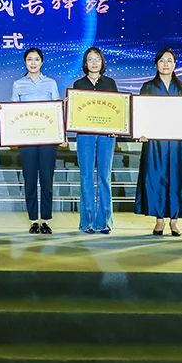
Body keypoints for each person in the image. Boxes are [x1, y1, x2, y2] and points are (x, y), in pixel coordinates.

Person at [135, 48, 182, 236]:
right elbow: (141, 113)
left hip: (178, 142)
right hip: (155, 142)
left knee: (177, 178)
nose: (166, 64)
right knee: (156, 178)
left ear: (175, 64)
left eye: (169, 60)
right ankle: (159, 220)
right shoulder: (148, 87)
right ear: (156, 64)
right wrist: (140, 132)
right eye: (162, 60)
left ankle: (174, 220)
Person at [11, 47, 61, 234]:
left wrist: (60, 135)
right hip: (27, 139)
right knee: (30, 179)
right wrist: (4, 112)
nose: (33, 63)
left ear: (42, 62)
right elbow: (13, 111)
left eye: (36, 59)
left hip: (48, 139)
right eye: (29, 59)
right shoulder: (18, 84)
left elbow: (56, 110)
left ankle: (45, 220)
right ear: (25, 62)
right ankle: (33, 220)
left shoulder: (50, 83)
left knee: (47, 179)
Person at [71, 47, 118, 234]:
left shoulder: (110, 83)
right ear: (85, 63)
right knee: (86, 176)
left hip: (107, 136)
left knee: (104, 176)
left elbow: (117, 109)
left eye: (97, 59)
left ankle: (104, 221)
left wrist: (116, 127)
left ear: (102, 62)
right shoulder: (78, 84)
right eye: (90, 59)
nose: (94, 63)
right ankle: (87, 222)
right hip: (85, 135)